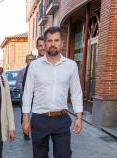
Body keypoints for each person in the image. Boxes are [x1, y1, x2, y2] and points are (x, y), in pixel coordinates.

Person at [22, 26, 83, 158]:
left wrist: (79, 117)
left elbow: (76, 92)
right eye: (49, 41)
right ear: (44, 43)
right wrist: (25, 118)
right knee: (39, 156)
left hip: (61, 118)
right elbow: (27, 93)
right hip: (39, 119)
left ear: (62, 42)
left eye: (56, 40)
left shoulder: (71, 66)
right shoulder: (34, 66)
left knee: (64, 155)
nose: (53, 44)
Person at [15, 54, 35, 140]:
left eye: (32, 60)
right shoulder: (21, 72)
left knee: (36, 115)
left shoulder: (38, 71)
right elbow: (18, 83)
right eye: (29, 60)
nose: (30, 61)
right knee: (24, 114)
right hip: (25, 95)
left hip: (36, 97)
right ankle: (25, 132)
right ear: (26, 61)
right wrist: (27, 87)